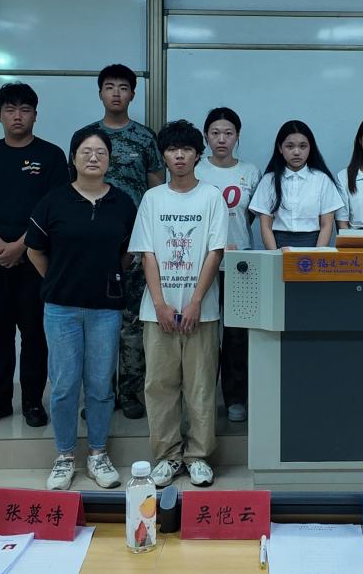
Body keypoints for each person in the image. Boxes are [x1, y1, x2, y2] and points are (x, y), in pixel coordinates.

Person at [25, 127, 138, 490]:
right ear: (73, 158)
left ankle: (98, 454)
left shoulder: (123, 203)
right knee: (64, 385)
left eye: (100, 152)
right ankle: (64, 457)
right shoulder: (53, 201)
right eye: (86, 151)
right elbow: (34, 249)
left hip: (105, 309)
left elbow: (128, 253)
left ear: (109, 160)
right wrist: (57, 280)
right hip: (61, 309)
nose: (93, 157)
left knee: (101, 385)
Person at [0, 83, 68, 430]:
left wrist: (22, 245)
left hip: (37, 261)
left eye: (24, 109)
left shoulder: (51, 156)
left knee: (35, 335)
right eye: (10, 109)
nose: (17, 116)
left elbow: (54, 209)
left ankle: (33, 402)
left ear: (35, 115)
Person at [132, 120, 228, 489]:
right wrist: (159, 304)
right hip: (157, 311)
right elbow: (148, 253)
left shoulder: (211, 196)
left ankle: (198, 456)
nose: (180, 156)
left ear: (197, 154)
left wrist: (195, 302)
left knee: (201, 385)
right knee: (160, 385)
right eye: (173, 150)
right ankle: (167, 457)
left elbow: (215, 252)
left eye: (187, 149)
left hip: (201, 310)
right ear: (164, 155)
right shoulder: (153, 199)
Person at [78, 63, 164, 421]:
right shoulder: (86, 137)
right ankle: (99, 395)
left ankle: (129, 393)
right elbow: (74, 189)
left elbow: (157, 190)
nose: (116, 93)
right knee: (95, 324)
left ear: (133, 94)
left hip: (135, 243)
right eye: (109, 86)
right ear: (100, 93)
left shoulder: (145, 138)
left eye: (123, 87)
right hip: (93, 246)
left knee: (133, 323)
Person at [195, 107, 261, 423]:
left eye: (228, 133)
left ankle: (236, 398)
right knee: (203, 333)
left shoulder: (250, 171)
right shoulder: (196, 169)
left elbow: (253, 215)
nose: (221, 139)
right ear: (206, 136)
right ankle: (202, 399)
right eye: (215, 133)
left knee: (236, 335)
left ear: (237, 136)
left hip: (239, 264)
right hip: (201, 264)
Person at [249, 120, 344, 250]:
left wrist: (317, 254)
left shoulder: (322, 179)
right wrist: (275, 255)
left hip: (314, 246)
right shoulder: (269, 180)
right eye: (290, 146)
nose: (297, 152)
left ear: (310, 148)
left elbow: (326, 225)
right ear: (280, 148)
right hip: (279, 247)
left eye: (303, 146)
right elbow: (266, 226)